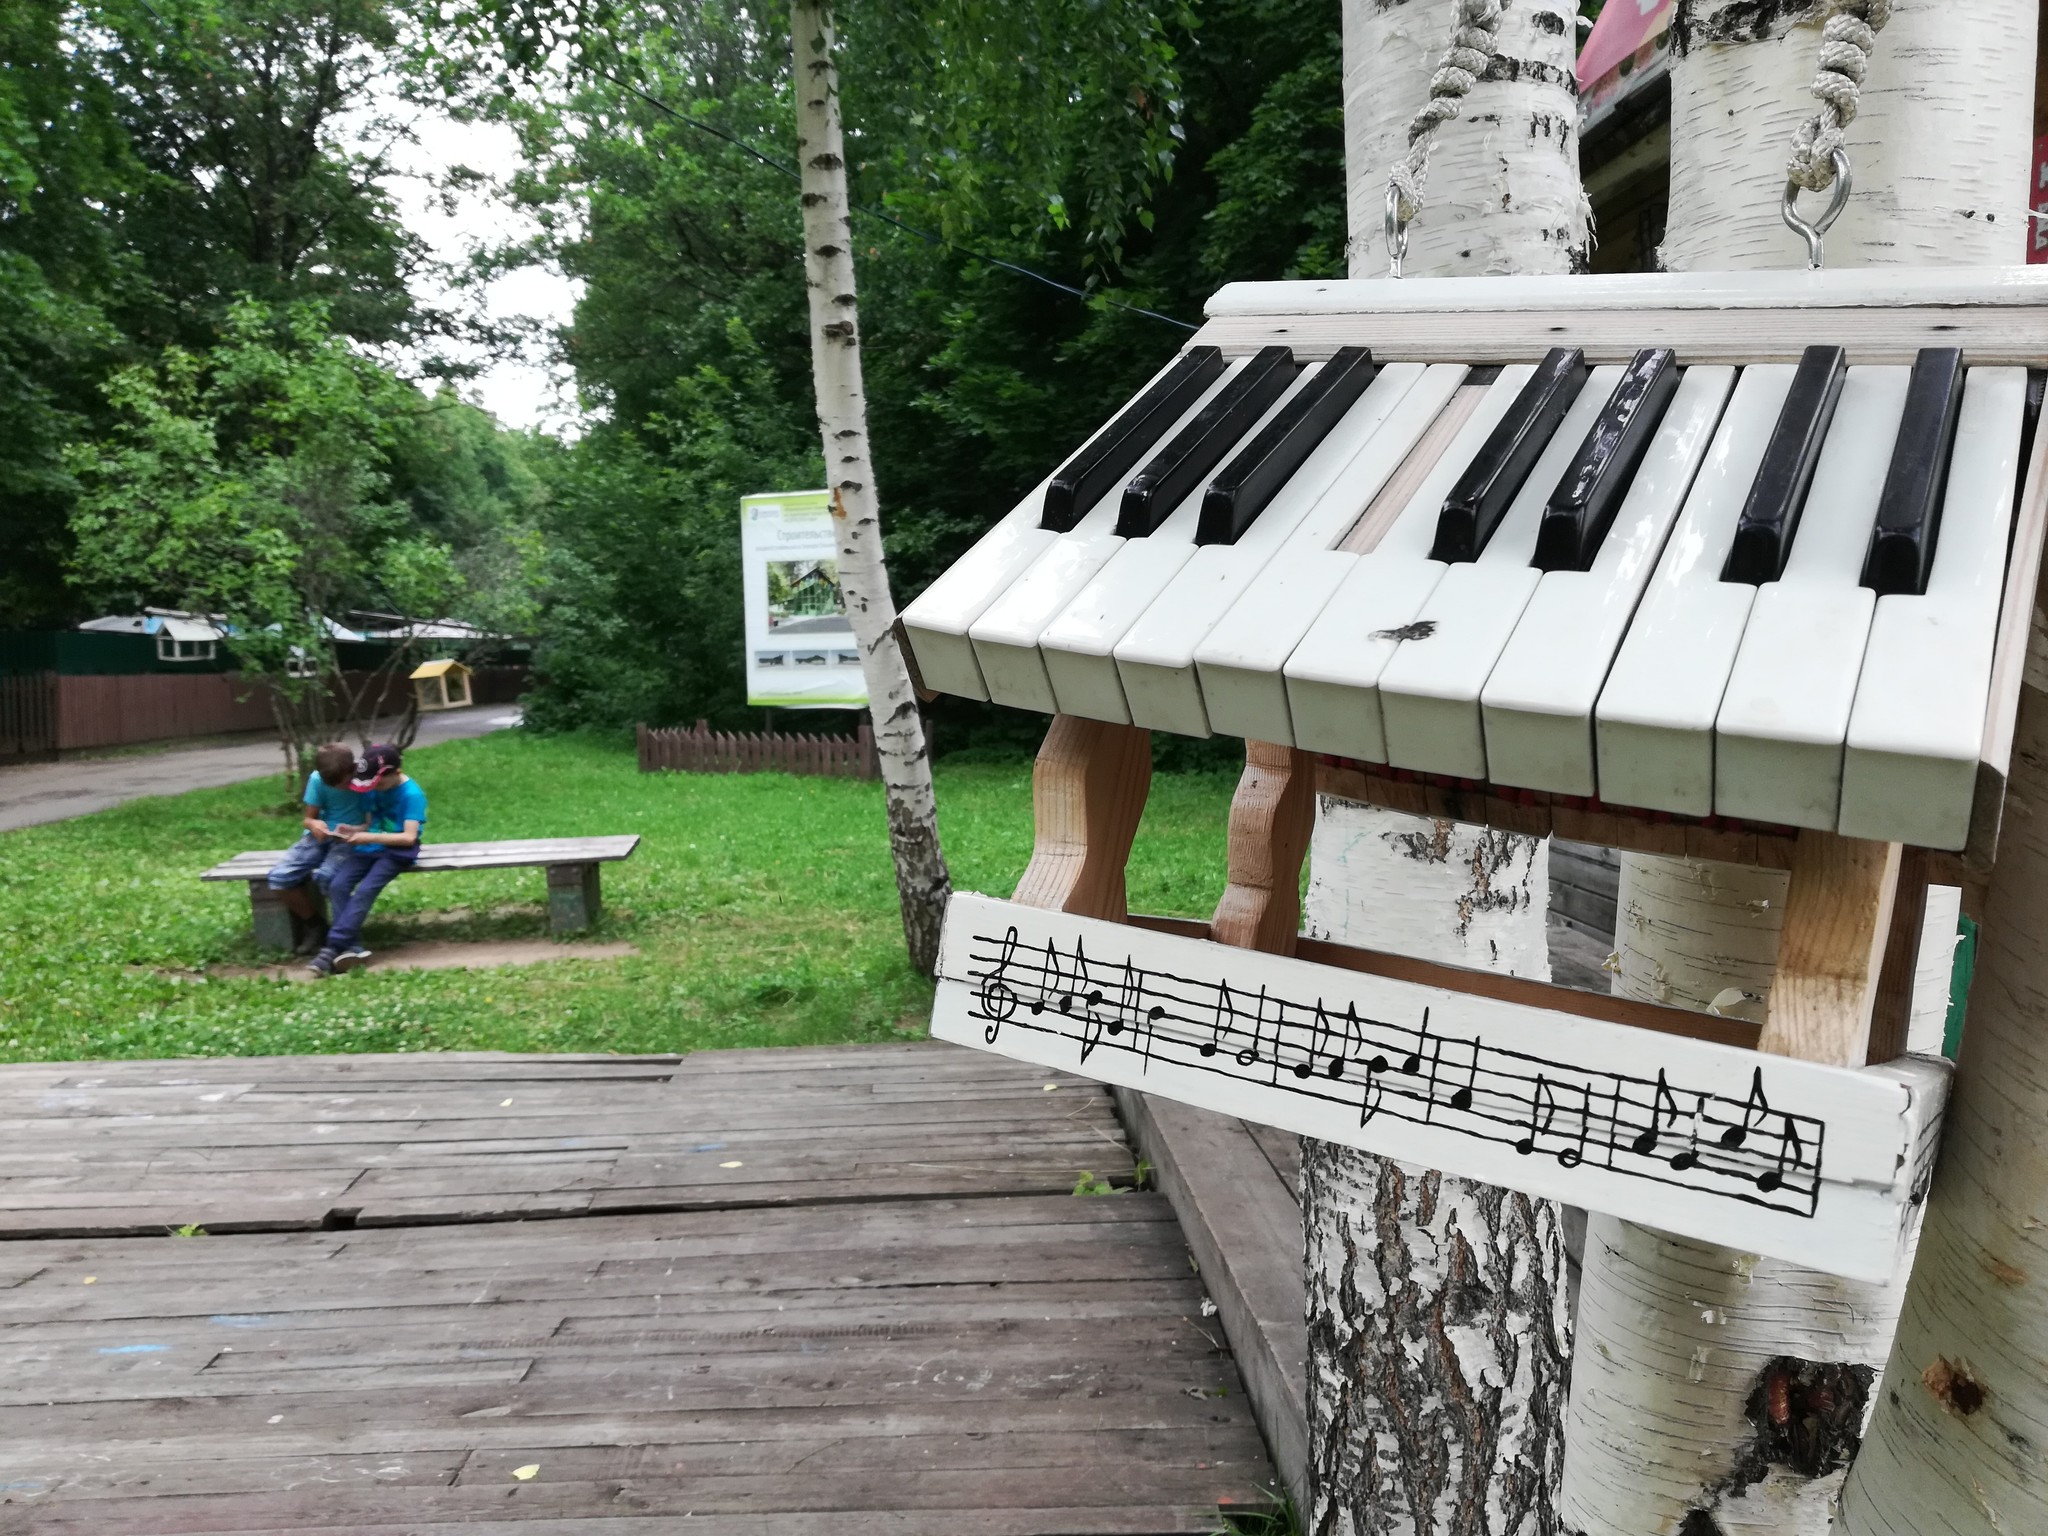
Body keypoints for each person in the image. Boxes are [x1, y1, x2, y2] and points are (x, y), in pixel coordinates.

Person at [307, 743, 427, 978]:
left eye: (381, 783)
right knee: (338, 884)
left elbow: (409, 837)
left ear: (397, 772)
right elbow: (369, 823)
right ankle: (352, 949)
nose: (377, 788)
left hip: (396, 852)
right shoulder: (373, 788)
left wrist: (367, 836)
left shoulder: (412, 795)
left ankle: (333, 948)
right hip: (369, 848)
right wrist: (352, 831)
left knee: (365, 891)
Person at [267, 743, 368, 955]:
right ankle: (315, 924)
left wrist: (357, 832)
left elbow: (375, 818)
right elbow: (308, 818)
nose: (342, 786)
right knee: (279, 878)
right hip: (320, 837)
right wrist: (315, 825)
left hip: (350, 838)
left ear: (352, 769)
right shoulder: (317, 780)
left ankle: (343, 935)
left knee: (328, 878)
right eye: (334, 784)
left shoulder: (365, 779)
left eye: (344, 782)